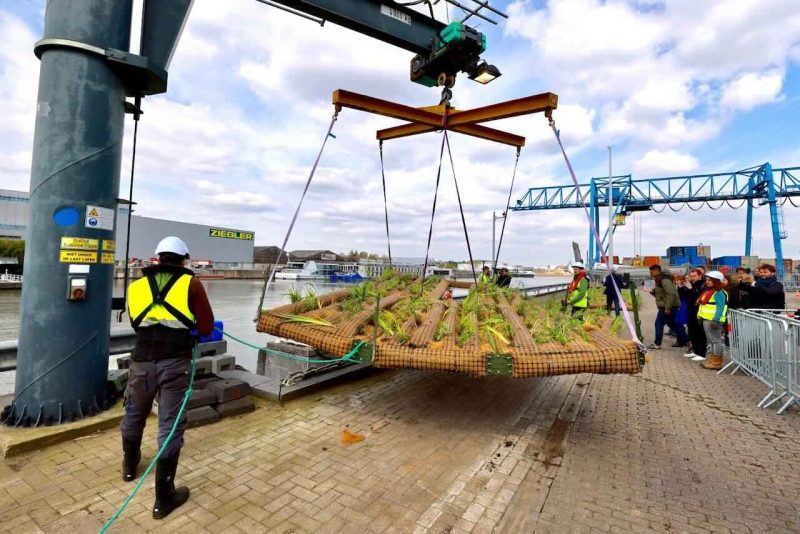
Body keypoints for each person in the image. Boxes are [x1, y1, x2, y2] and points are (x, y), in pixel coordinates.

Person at [121, 236, 215, 519]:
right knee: (170, 426)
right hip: (175, 363)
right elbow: (208, 327)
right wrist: (192, 328)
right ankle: (164, 498)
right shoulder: (192, 284)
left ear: (157, 258)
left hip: (141, 361)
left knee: (135, 413)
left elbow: (136, 322)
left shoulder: (136, 286)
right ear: (184, 260)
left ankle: (128, 467)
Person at [648, 264, 689, 349]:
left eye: (652, 271)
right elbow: (662, 293)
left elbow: (671, 294)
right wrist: (653, 292)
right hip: (669, 305)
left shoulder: (664, 280)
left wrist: (667, 307)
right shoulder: (660, 279)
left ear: (657, 271)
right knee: (674, 324)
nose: (650, 273)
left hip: (667, 306)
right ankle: (685, 340)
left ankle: (657, 344)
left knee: (659, 324)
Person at [697, 271, 728, 370]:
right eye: (707, 280)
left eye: (710, 280)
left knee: (716, 341)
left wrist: (716, 319)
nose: (707, 282)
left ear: (716, 281)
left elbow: (720, 307)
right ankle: (713, 360)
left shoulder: (719, 293)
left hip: (713, 320)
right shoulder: (712, 291)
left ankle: (716, 362)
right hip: (707, 319)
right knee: (711, 341)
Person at [678, 269, 707, 361]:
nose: (692, 278)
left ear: (699, 276)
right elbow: (684, 295)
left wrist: (691, 288)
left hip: (699, 311)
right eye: (691, 276)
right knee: (692, 332)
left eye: (694, 276)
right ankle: (695, 351)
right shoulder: (692, 284)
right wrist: (680, 287)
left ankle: (701, 353)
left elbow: (699, 296)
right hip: (690, 310)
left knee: (700, 333)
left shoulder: (703, 284)